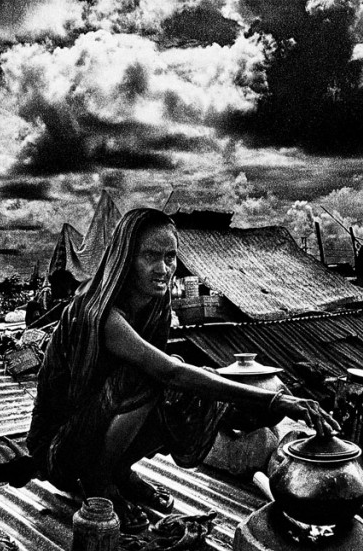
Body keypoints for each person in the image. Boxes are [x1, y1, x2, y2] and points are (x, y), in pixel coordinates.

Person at [26, 208, 339, 532]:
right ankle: (100, 482)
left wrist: (251, 402)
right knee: (152, 378)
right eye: (151, 256)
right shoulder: (101, 314)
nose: (165, 269)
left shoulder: (154, 305)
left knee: (186, 395)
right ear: (125, 258)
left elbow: (178, 379)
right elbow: (169, 372)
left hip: (93, 427)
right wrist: (270, 401)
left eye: (171, 257)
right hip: (59, 450)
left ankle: (118, 471)